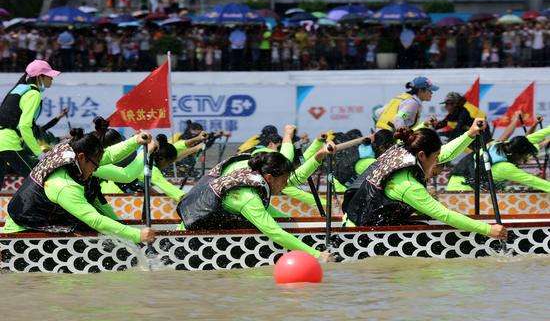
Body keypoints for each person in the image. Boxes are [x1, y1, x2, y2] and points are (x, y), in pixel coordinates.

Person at [343, 122, 507, 241]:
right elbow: (445, 215)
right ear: (422, 155)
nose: (438, 162)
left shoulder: (404, 150)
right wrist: (488, 230)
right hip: (359, 235)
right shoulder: (408, 186)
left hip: (362, 221)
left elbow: (445, 153)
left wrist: (470, 134)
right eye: (435, 158)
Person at [176, 147, 335, 262]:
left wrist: (318, 157)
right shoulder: (249, 198)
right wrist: (317, 255)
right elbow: (275, 234)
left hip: (203, 226)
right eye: (284, 181)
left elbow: (296, 178)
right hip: (190, 243)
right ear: (270, 177)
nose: (286, 185)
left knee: (283, 219)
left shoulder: (254, 172)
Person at [3, 128, 155, 244]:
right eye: (95, 165)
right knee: (93, 230)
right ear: (82, 157)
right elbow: (95, 220)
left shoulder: (71, 151)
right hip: (22, 231)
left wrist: (135, 141)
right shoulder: (65, 185)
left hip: (33, 218)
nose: (96, 169)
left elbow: (108, 155)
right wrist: (137, 235)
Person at [0, 60, 60, 190]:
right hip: (8, 143)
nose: (52, 79)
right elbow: (24, 126)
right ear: (40, 77)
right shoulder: (33, 94)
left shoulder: (19, 89)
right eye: (49, 76)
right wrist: (39, 153)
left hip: (2, 141)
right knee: (41, 181)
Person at [447, 125, 550, 192]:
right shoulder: (505, 167)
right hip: (462, 191)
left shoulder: (502, 145)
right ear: (518, 154)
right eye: (525, 157)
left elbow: (534, 137)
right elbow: (534, 181)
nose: (525, 160)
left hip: (454, 184)